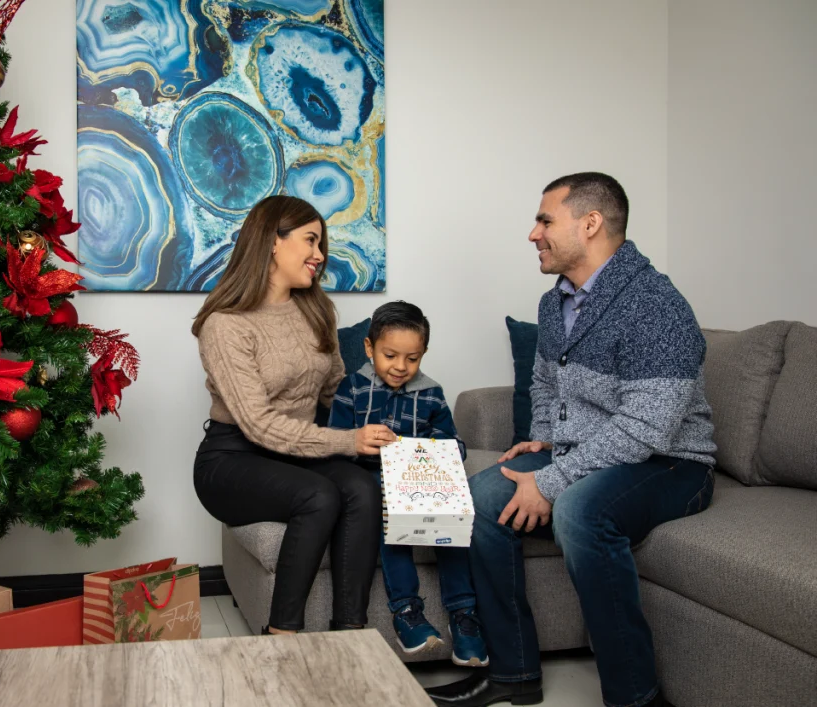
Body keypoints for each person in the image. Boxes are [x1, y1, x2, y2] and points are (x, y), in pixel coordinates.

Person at [427, 173, 716, 707]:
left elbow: (649, 427)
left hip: (672, 463)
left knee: (579, 512)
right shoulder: (553, 302)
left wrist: (555, 479)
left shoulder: (655, 304)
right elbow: (543, 383)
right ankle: (512, 675)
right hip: (591, 454)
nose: (532, 234)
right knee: (483, 499)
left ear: (590, 224)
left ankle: (635, 696)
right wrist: (542, 441)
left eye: (544, 220)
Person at [192, 195, 394, 635]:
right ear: (272, 242)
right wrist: (347, 442)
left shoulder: (315, 310)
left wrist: (390, 411)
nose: (320, 255)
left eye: (321, 243)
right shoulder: (226, 324)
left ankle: (350, 633)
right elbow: (259, 424)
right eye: (310, 240)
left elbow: (333, 394)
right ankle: (281, 634)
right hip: (232, 458)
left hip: (296, 452)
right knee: (317, 496)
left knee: (359, 487)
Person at [327, 300, 489, 666]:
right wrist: (360, 441)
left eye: (412, 358)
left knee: (452, 525)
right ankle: (407, 613)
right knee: (389, 520)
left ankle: (464, 617)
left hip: (421, 478)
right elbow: (335, 442)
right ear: (369, 348)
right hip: (371, 478)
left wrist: (429, 451)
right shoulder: (351, 388)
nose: (401, 367)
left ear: (423, 354)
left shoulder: (431, 393)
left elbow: (452, 442)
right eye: (390, 355)